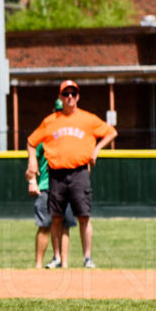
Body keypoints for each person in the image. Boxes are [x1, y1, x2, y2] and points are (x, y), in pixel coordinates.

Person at [25, 80, 115, 269]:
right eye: (66, 94)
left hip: (79, 171)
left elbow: (111, 132)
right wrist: (32, 162)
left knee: (84, 215)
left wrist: (97, 149)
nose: (70, 97)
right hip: (56, 173)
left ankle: (87, 258)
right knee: (56, 216)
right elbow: (31, 141)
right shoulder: (51, 121)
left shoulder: (87, 119)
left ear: (78, 96)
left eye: (73, 93)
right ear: (60, 97)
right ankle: (57, 257)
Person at [28, 98, 77, 269]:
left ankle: (63, 264)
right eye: (57, 110)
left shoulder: (72, 136)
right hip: (46, 186)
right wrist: (32, 180)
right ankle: (39, 266)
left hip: (67, 185)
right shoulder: (45, 136)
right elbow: (32, 154)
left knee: (65, 226)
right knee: (44, 225)